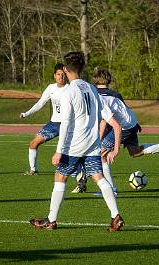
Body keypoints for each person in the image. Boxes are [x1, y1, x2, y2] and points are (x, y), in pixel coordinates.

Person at [29, 52, 124, 232]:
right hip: (93, 143)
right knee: (99, 178)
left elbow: (65, 123)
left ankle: (51, 220)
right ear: (81, 68)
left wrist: (59, 150)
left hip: (75, 145)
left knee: (60, 177)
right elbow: (106, 116)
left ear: (65, 70)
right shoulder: (91, 88)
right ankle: (115, 215)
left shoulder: (69, 92)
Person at [72, 67, 159, 195]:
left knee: (101, 154)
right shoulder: (114, 94)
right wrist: (100, 139)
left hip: (123, 127)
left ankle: (110, 189)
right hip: (132, 123)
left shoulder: (98, 98)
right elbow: (107, 119)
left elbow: (116, 126)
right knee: (135, 152)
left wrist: (115, 150)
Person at [20, 63, 68, 175]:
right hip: (54, 124)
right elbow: (40, 103)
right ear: (54, 76)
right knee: (33, 143)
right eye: (59, 74)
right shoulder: (51, 88)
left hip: (68, 124)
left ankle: (81, 175)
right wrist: (26, 113)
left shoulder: (70, 89)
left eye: (63, 74)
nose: (61, 76)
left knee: (70, 152)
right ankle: (33, 170)